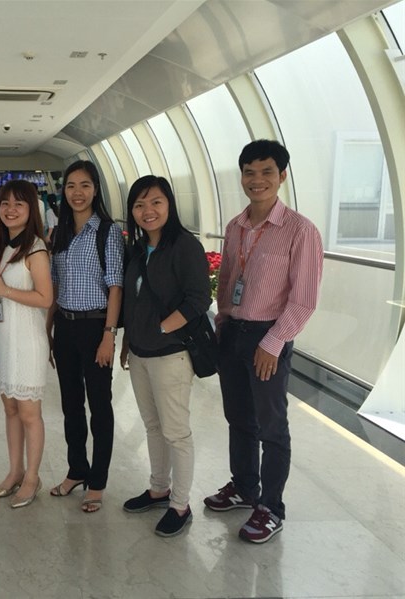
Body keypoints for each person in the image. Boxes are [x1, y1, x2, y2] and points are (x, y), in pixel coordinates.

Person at [204, 139, 323, 543]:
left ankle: (271, 507)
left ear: (282, 176)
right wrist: (221, 321)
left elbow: (303, 299)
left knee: (271, 426)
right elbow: (227, 280)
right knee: (238, 418)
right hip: (232, 332)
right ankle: (244, 487)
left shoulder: (300, 231)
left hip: (268, 335)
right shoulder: (235, 227)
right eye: (250, 172)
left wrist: (274, 342)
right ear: (242, 176)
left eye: (267, 172)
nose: (258, 180)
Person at [118, 175, 211, 537]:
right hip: (140, 354)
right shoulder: (139, 249)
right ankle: (159, 489)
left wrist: (161, 329)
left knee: (176, 432)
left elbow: (199, 299)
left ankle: (180, 505)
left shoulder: (185, 246)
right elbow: (132, 300)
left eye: (155, 202)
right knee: (153, 426)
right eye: (139, 205)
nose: (148, 211)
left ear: (169, 204)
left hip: (171, 355)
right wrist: (129, 340)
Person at [48, 160, 124, 513]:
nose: (77, 193)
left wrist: (109, 335)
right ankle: (76, 470)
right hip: (64, 326)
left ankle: (97, 481)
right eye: (71, 186)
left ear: (96, 190)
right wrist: (48, 330)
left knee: (100, 405)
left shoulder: (108, 232)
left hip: (96, 326)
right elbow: (55, 285)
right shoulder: (59, 233)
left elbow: (115, 287)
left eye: (85, 185)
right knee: (70, 405)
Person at [0, 180, 53, 509]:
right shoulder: (2, 247)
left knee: (29, 413)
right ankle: (15, 472)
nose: (10, 209)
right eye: (5, 203)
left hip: (27, 341)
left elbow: (45, 298)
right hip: (5, 340)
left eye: (19, 204)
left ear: (31, 209)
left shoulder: (35, 248)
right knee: (10, 409)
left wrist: (3, 290)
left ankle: (32, 477)